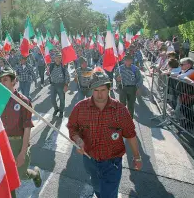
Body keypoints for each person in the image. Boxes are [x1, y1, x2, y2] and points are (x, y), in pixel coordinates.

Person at [67, 69, 142, 198]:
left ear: (109, 89)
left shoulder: (120, 110)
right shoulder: (80, 108)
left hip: (112, 163)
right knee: (97, 188)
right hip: (89, 160)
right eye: (96, 90)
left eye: (102, 90)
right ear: (91, 90)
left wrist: (137, 157)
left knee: (108, 194)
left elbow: (130, 134)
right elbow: (72, 127)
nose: (99, 94)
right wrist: (78, 140)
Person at [0, 67, 42, 198]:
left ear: (14, 81)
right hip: (4, 143)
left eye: (5, 79)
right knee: (8, 178)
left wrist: (22, 152)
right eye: (1, 80)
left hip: (18, 143)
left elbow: (27, 128)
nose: (2, 82)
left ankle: (35, 174)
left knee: (21, 174)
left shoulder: (24, 101)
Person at [48, 52, 70, 118]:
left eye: (59, 58)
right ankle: (56, 109)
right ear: (54, 59)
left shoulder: (63, 66)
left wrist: (66, 85)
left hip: (61, 85)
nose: (57, 59)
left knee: (62, 99)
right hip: (53, 85)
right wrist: (47, 73)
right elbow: (49, 74)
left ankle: (61, 111)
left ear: (61, 59)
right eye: (56, 58)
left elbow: (67, 76)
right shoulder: (51, 66)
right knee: (52, 99)